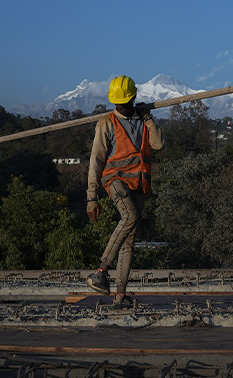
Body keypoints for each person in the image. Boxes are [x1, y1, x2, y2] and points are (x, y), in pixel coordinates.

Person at [85, 76, 164, 307]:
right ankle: (100, 271)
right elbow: (96, 161)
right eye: (117, 103)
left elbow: (158, 144)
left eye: (124, 102)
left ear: (133, 99)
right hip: (115, 180)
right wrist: (92, 197)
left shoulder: (142, 120)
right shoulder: (106, 123)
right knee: (130, 216)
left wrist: (148, 118)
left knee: (129, 240)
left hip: (138, 183)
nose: (121, 107)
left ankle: (120, 295)